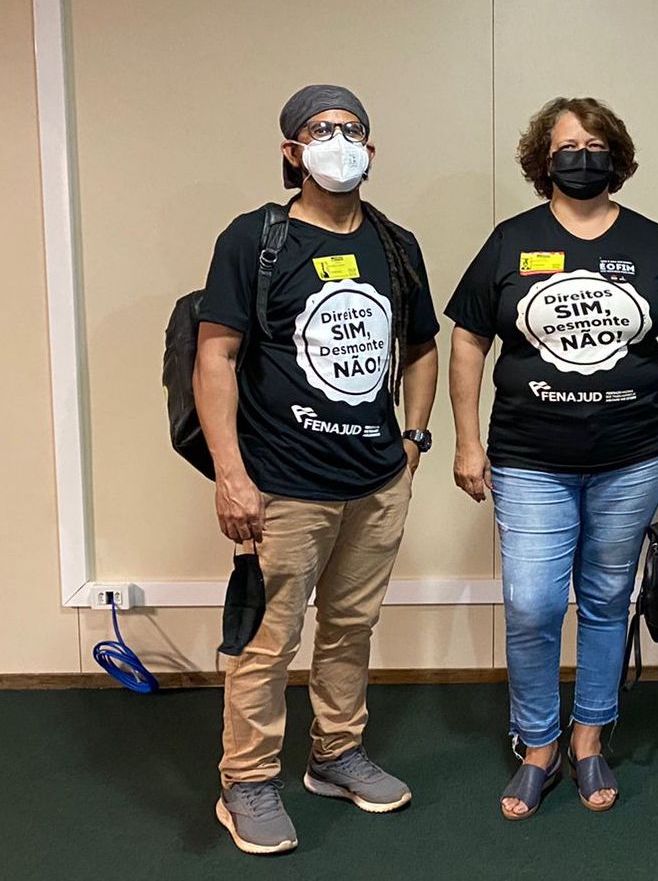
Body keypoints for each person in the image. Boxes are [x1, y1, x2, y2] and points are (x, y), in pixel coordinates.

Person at [196, 85, 440, 854]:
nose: (339, 140)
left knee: (350, 627)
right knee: (266, 641)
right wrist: (230, 475)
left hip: (375, 481)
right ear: (291, 151)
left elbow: (421, 347)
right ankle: (246, 782)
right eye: (320, 129)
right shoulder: (254, 239)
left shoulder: (396, 245)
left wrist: (413, 440)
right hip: (282, 484)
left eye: (352, 129)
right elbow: (215, 356)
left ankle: (336, 755)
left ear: (371, 149)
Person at [446, 96, 658, 819]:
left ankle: (588, 737)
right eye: (567, 145)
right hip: (529, 458)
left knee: (605, 598)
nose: (581, 156)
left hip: (633, 457)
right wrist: (466, 440)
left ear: (615, 157)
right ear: (543, 158)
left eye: (594, 145)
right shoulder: (511, 241)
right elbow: (468, 337)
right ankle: (538, 744)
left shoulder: (651, 242)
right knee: (532, 603)